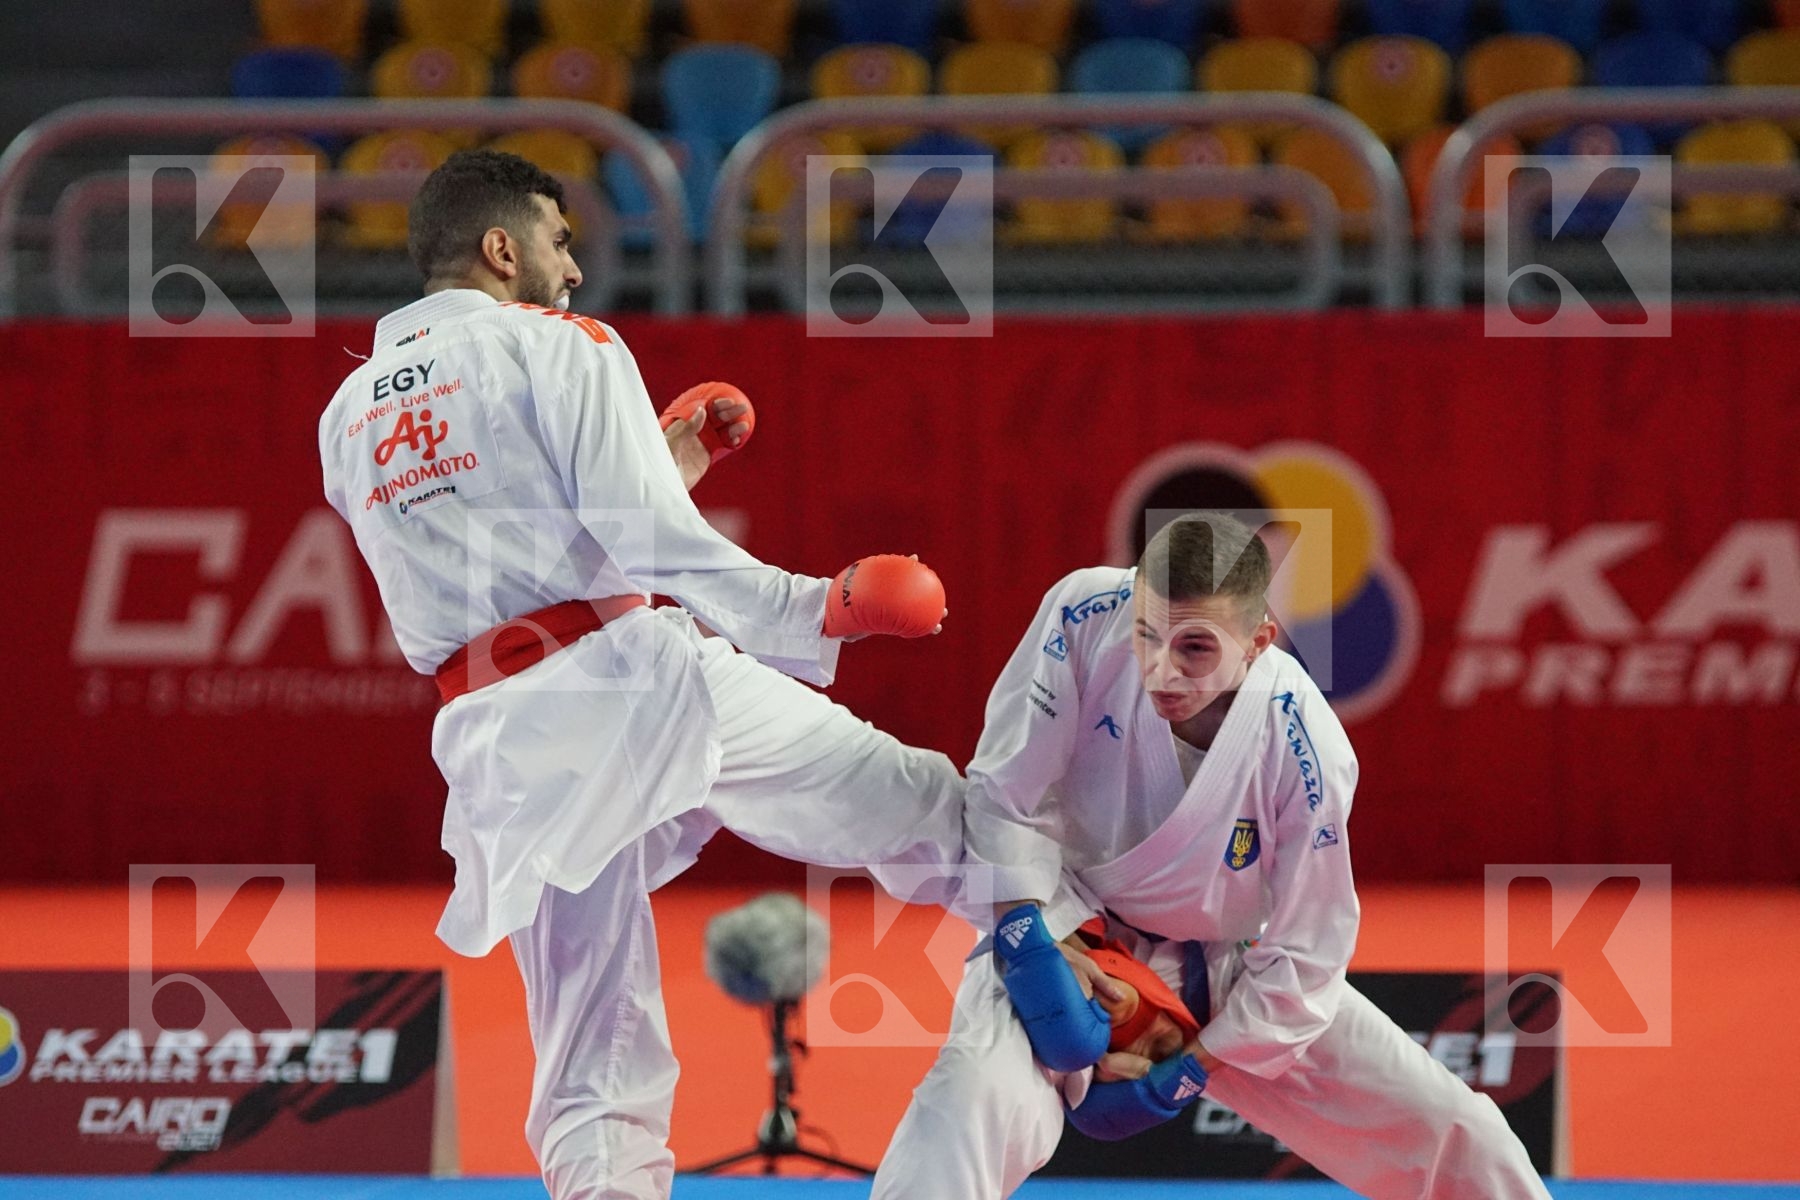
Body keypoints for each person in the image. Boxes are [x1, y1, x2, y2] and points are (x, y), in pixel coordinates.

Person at [317, 149, 965, 1200]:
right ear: (502, 249)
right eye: (559, 242)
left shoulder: (347, 414)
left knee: (592, 1050)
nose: (572, 270)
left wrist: (664, 461)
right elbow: (639, 535)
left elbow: (506, 540)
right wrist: (816, 606)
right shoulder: (561, 343)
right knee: (925, 810)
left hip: (504, 738)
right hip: (631, 681)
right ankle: (1099, 969)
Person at [871, 513, 1551, 1199]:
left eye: (1195, 647)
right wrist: (1031, 948)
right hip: (1067, 928)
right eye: (1146, 634)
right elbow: (1003, 792)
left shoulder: (1305, 742)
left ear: (1258, 641)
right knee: (965, 1106)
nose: (1162, 669)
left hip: (1225, 970)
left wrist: (1186, 1071)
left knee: (1462, 1134)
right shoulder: (1083, 612)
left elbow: (1308, 951)